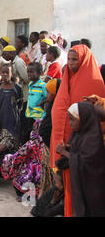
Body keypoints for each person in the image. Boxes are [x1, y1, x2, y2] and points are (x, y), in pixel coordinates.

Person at [50, 44, 105, 217]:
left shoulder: (95, 84)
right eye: (69, 59)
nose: (71, 63)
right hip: (68, 141)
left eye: (75, 60)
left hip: (86, 145)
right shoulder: (67, 80)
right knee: (67, 182)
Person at [56, 102, 105, 216]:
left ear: (84, 119)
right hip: (82, 184)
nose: (70, 123)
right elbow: (79, 152)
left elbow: (85, 162)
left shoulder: (92, 139)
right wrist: (69, 148)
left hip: (92, 187)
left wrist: (64, 152)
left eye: (73, 120)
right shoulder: (79, 134)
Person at [0, 64, 23, 141]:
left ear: (11, 73)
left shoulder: (17, 88)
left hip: (13, 121)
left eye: (7, 72)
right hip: (1, 120)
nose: (5, 74)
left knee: (13, 141)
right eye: (3, 72)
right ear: (0, 73)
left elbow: (20, 105)